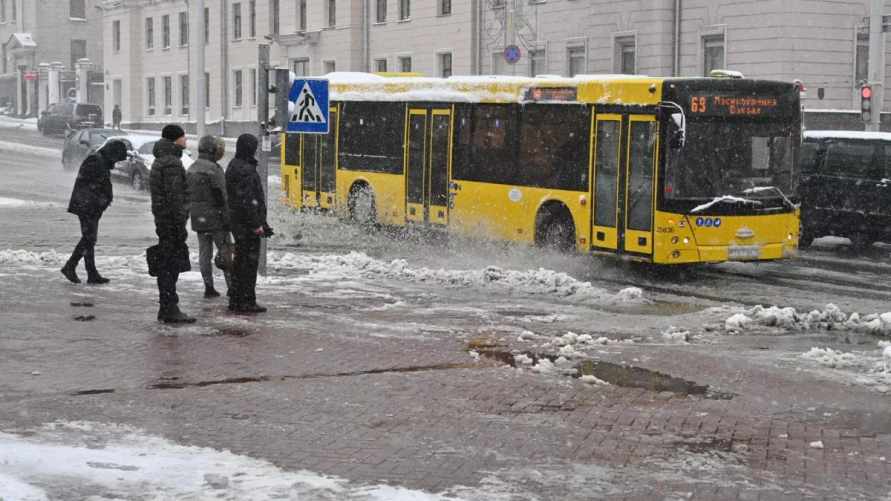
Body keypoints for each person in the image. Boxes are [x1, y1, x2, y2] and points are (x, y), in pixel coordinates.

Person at [61, 139, 129, 284]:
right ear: (113, 153)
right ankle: (71, 266)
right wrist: (99, 201)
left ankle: (91, 273)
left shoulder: (100, 160)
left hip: (91, 206)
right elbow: (90, 186)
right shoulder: (95, 161)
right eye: (117, 158)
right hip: (87, 207)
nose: (116, 162)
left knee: (89, 239)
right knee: (89, 239)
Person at [150, 124, 196, 324]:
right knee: (170, 265)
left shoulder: (162, 159)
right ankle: (170, 307)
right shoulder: (171, 164)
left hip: (163, 220)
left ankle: (167, 306)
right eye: (183, 137)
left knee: (166, 263)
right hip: (170, 222)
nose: (186, 140)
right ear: (175, 139)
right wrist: (180, 223)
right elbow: (175, 197)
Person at [226, 134, 269, 314]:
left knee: (240, 262)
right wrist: (257, 224)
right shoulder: (246, 169)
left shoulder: (234, 165)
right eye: (254, 146)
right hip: (247, 225)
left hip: (238, 222)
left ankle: (236, 299)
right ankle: (246, 300)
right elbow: (248, 199)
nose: (256, 149)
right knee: (248, 264)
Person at [187, 136, 232, 298]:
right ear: (213, 150)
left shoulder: (191, 168)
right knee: (225, 252)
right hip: (216, 218)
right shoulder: (215, 169)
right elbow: (222, 196)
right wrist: (227, 220)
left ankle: (208, 287)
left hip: (198, 218)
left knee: (204, 253)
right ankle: (231, 286)